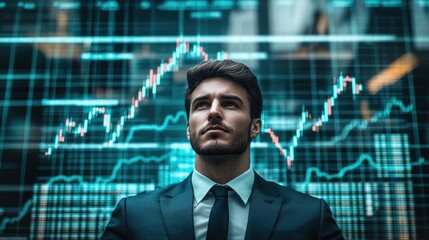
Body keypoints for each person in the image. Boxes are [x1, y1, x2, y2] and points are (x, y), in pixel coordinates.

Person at [101, 60, 344, 240]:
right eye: (201, 105)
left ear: (255, 126)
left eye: (229, 103)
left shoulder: (311, 217)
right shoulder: (134, 216)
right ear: (188, 128)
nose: (214, 112)